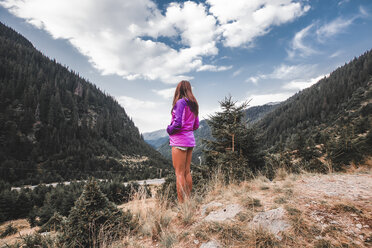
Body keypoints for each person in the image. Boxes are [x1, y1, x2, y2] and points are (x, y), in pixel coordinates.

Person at [166, 80, 199, 203]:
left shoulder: (180, 102)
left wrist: (169, 129)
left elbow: (178, 123)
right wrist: (188, 129)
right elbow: (196, 125)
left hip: (179, 141)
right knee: (186, 172)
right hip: (190, 141)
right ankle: (188, 201)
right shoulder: (194, 104)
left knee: (179, 173)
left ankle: (181, 205)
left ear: (178, 90)